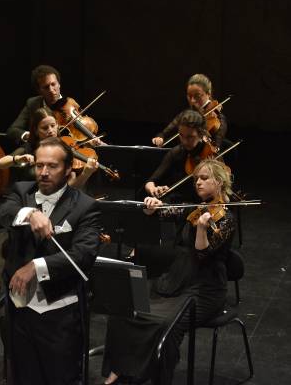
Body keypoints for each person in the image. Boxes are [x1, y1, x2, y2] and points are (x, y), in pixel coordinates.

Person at [100, 159, 236, 384]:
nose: (198, 183)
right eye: (196, 179)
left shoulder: (226, 219)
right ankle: (122, 368)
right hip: (178, 279)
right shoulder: (195, 209)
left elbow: (202, 255)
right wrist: (152, 206)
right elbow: (164, 212)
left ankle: (158, 377)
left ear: (219, 183)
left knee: (167, 327)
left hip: (206, 289)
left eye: (204, 178)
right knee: (126, 311)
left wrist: (202, 228)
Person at [0, 136, 102, 384]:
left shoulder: (85, 207)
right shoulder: (22, 192)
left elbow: (83, 255)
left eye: (52, 166)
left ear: (68, 169)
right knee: (22, 376)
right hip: (18, 310)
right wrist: (30, 212)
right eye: (40, 165)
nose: (43, 172)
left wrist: (36, 266)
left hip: (59, 314)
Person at [6, 64, 104, 150]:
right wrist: (30, 136)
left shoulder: (71, 103)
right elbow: (13, 130)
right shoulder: (33, 103)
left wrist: (90, 140)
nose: (51, 90)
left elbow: (78, 136)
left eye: (53, 84)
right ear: (39, 90)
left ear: (59, 84)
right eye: (46, 87)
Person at [0, 107, 98, 189]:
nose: (50, 130)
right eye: (45, 128)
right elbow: (0, 164)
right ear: (36, 131)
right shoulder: (30, 148)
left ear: (57, 125)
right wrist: (18, 159)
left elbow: (70, 189)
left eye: (53, 126)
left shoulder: (65, 147)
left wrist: (85, 174)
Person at [144, 109, 217, 203]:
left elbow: (223, 184)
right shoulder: (176, 152)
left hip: (206, 204)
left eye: (190, 137)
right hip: (181, 204)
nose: (185, 141)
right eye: (181, 135)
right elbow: (150, 182)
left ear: (201, 134)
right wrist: (153, 189)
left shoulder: (210, 152)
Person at [152, 73, 228, 150]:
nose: (192, 100)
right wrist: (160, 137)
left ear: (208, 94)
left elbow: (217, 145)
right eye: (189, 96)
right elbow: (165, 133)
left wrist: (207, 142)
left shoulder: (219, 118)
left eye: (197, 95)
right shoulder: (186, 115)